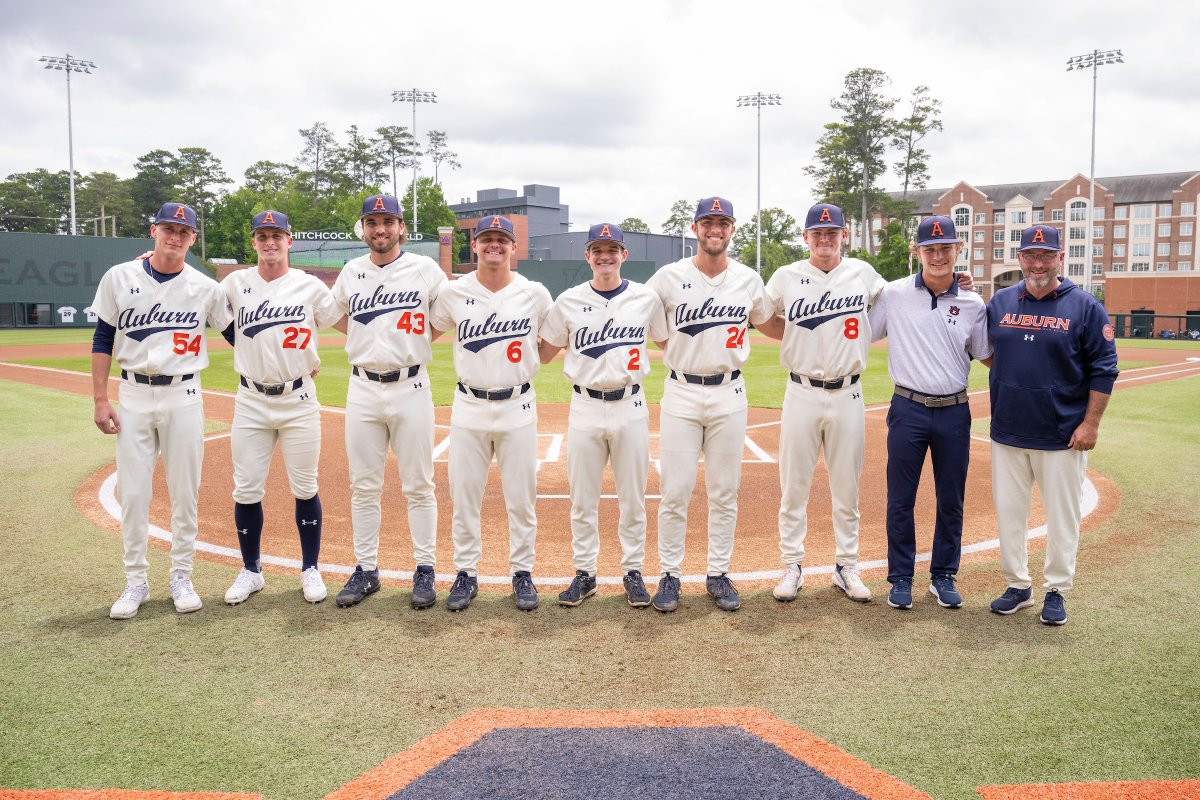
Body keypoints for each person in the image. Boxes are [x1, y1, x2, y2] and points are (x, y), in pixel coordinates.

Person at [765, 203, 974, 605]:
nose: (824, 239)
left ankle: (847, 566)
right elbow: (762, 316)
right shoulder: (785, 276)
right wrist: (794, 336)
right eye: (817, 233)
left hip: (848, 393)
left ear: (845, 235)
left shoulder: (863, 273)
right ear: (805, 237)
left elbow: (909, 292)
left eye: (832, 233)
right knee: (794, 485)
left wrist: (953, 279)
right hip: (801, 390)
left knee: (847, 486)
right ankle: (791, 564)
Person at [91, 202, 233, 619]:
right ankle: (135, 580)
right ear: (153, 230)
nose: (175, 236)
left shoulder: (206, 288)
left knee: (184, 492)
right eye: (168, 228)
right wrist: (100, 398)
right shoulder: (119, 276)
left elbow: (239, 335)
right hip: (133, 394)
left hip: (183, 395)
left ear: (192, 239)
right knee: (134, 493)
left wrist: (297, 359)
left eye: (183, 231)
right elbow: (102, 339)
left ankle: (181, 576)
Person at [645, 197, 778, 613]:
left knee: (724, 492)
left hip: (729, 391)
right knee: (675, 490)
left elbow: (770, 321)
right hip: (681, 392)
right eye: (708, 222)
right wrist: (682, 351)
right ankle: (670, 574)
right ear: (695, 228)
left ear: (732, 229)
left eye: (722, 222)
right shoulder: (667, 278)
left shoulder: (748, 279)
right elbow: (652, 326)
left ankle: (718, 573)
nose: (714, 229)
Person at [985, 224, 1118, 626]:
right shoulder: (1001, 301)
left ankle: (1056, 589)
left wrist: (1090, 424)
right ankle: (1018, 585)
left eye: (1046, 255)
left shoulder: (1085, 306)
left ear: (1060, 257)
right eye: (1030, 255)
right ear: (1020, 258)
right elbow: (989, 353)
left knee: (1062, 516)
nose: (1038, 263)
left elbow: (1104, 369)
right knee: (1010, 513)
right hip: (1008, 429)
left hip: (1061, 434)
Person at [538, 223, 668, 608]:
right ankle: (585, 573)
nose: (605, 255)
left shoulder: (645, 298)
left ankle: (633, 571)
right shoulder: (568, 301)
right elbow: (543, 352)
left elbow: (665, 340)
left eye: (612, 249)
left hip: (631, 404)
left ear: (624, 255)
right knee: (582, 497)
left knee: (633, 496)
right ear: (588, 255)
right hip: (585, 405)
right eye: (598, 249)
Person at [219, 211, 344, 606]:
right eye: (262, 235)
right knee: (246, 487)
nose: (269, 242)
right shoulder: (235, 284)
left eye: (277, 235)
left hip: (299, 398)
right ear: (253, 241)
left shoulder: (308, 286)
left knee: (305, 486)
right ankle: (251, 570)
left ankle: (309, 568)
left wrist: (305, 355)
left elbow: (343, 320)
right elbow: (201, 307)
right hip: (251, 400)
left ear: (290, 241)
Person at [866, 215, 991, 610]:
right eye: (929, 249)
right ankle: (900, 577)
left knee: (951, 498)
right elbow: (863, 331)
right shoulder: (894, 294)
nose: (938, 256)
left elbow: (988, 355)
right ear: (916, 252)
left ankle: (943, 575)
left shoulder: (973, 303)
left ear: (958, 250)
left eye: (945, 248)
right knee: (900, 499)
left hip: (955, 411)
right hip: (908, 408)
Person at [429, 215, 553, 612]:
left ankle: (522, 573)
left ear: (513, 247)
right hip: (469, 404)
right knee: (465, 496)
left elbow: (551, 343)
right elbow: (423, 332)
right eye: (487, 239)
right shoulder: (453, 293)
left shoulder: (535, 294)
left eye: (501, 239)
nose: (494, 245)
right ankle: (465, 573)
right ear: (475, 246)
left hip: (518, 402)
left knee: (521, 498)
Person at [330, 194, 448, 609]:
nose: (380, 229)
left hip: (411, 386)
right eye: (372, 222)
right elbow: (333, 314)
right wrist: (364, 339)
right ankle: (366, 570)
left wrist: (414, 343)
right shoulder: (351, 271)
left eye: (387, 221)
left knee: (419, 483)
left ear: (401, 227)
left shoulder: (424, 269)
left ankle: (425, 569)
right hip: (362, 386)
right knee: (363, 485)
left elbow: (447, 313)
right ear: (363, 228)